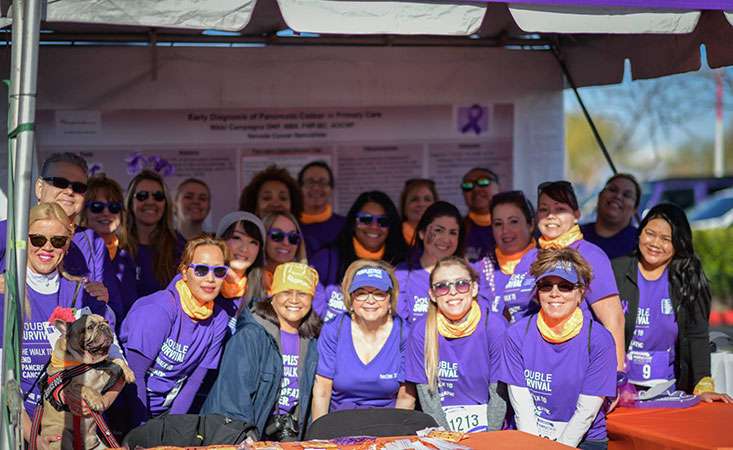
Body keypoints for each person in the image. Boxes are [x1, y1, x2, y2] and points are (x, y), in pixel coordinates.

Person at [0, 203, 118, 447]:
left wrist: (101, 403)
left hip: (76, 433)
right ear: (23, 239)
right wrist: (33, 437)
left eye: (57, 241)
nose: (47, 247)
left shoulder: (83, 294)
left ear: (68, 243)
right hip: (17, 431)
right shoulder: (6, 295)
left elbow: (118, 363)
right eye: (37, 239)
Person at [612, 204, 732, 402]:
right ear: (640, 233)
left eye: (666, 239)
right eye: (650, 233)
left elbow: (697, 337)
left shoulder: (689, 279)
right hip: (619, 391)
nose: (655, 243)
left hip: (669, 391)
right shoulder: (615, 269)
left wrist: (702, 384)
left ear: (678, 243)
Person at [499, 248, 616, 449]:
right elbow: (522, 406)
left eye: (565, 286)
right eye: (546, 285)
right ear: (537, 292)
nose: (554, 293)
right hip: (530, 435)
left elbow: (585, 413)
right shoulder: (517, 334)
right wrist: (535, 446)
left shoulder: (599, 340)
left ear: (581, 292)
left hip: (583, 439)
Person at [503, 181, 626, 370]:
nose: (550, 215)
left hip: (572, 366)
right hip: (524, 365)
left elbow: (613, 320)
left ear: (576, 215)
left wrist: (617, 374)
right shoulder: (530, 256)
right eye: (544, 209)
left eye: (560, 209)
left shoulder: (590, 255)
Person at [202, 262, 321, 440]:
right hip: (245, 433)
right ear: (273, 294)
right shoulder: (251, 334)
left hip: (289, 436)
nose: (294, 300)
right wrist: (244, 437)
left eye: (303, 293)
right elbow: (232, 396)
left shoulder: (314, 340)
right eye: (286, 292)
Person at [120, 236, 229, 427]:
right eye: (201, 270)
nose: (210, 279)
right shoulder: (160, 308)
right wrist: (142, 429)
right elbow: (133, 374)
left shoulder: (219, 319)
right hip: (127, 407)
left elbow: (194, 382)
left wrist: (170, 430)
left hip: (166, 414)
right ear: (185, 272)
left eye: (219, 271)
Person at [405, 257, 507, 433]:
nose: (452, 292)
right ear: (432, 294)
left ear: (474, 288)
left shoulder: (494, 325)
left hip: (490, 428)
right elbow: (428, 399)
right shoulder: (422, 330)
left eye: (461, 284)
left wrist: (489, 439)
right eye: (442, 286)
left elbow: (499, 395)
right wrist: (448, 439)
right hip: (440, 429)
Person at [312, 261, 415, 419]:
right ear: (351, 299)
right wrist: (319, 439)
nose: (370, 300)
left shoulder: (404, 333)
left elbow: (406, 397)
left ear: (390, 299)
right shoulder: (334, 329)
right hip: (339, 422)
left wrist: (394, 439)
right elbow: (322, 391)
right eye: (361, 293)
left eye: (379, 293)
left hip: (387, 424)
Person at [1, 152, 107, 284]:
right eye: (60, 182)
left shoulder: (93, 242)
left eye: (78, 187)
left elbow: (112, 300)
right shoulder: (8, 231)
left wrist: (102, 295)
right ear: (39, 187)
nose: (69, 191)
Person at [310, 191, 407, 321]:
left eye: (383, 221)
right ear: (353, 222)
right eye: (365, 219)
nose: (374, 226)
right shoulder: (326, 259)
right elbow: (314, 314)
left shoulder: (401, 264)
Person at [80, 174, 138, 329]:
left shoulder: (130, 253)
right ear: (84, 211)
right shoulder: (75, 254)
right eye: (97, 207)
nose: (106, 213)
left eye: (113, 207)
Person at [395, 201, 464, 324]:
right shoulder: (402, 274)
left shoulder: (468, 275)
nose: (446, 239)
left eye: (453, 232)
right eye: (438, 230)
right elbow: (400, 327)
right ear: (421, 233)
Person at [474, 191, 536, 317]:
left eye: (513, 221)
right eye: (498, 224)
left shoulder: (548, 263)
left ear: (530, 225)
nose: (505, 230)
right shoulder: (478, 270)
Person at [125, 169, 185, 297]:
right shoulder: (117, 245)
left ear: (165, 204)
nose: (150, 202)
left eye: (158, 196)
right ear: (130, 203)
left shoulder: (178, 245)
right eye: (142, 195)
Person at [215, 211, 267, 322]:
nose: (244, 249)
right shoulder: (200, 283)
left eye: (253, 242)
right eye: (237, 238)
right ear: (220, 240)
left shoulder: (262, 296)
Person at [581, 174, 641, 260]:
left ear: (634, 209)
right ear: (600, 196)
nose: (618, 196)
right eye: (613, 190)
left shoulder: (640, 243)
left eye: (627, 195)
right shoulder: (575, 234)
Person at [298, 161, 346, 256]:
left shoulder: (345, 226)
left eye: (322, 183)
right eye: (310, 182)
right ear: (299, 188)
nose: (316, 188)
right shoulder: (289, 225)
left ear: (331, 189)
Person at [261, 212, 308, 294]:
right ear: (263, 238)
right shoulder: (246, 280)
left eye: (293, 237)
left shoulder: (309, 280)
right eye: (277, 235)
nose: (286, 243)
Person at [461, 168, 499, 262]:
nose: (476, 189)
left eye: (483, 182)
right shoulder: (457, 230)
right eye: (468, 185)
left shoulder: (516, 227)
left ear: (498, 187)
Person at [399, 179, 438, 246]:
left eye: (427, 199)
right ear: (404, 206)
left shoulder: (444, 236)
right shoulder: (393, 236)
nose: (421, 204)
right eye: (414, 199)